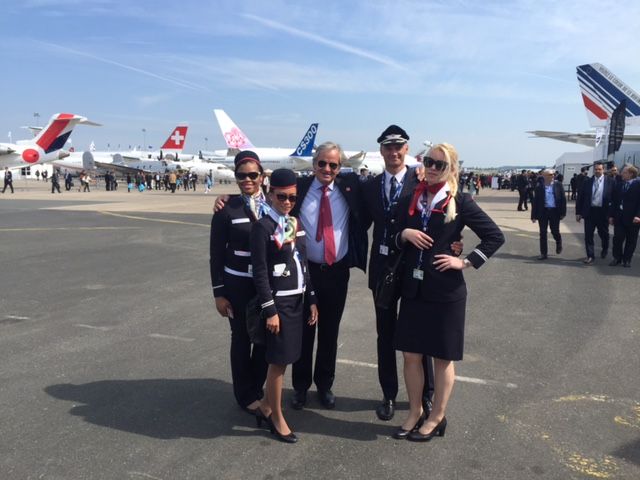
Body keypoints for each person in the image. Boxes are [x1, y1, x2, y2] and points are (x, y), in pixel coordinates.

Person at [392, 143, 504, 442]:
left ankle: (437, 416)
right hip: (413, 289)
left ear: (451, 168)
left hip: (445, 291)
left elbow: (495, 236)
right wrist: (404, 234)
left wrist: (464, 261)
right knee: (411, 355)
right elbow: (392, 233)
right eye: (428, 161)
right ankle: (415, 411)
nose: (431, 167)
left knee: (442, 358)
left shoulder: (460, 201)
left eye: (439, 164)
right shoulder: (411, 197)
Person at [361, 125, 439, 421]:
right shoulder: (369, 186)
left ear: (406, 149)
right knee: (385, 335)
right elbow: (353, 217)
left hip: (411, 269)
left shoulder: (421, 180)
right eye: (388, 148)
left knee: (419, 335)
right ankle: (389, 394)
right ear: (381, 151)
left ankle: (426, 396)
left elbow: (442, 213)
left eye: (399, 147)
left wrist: (452, 246)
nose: (393, 152)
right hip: (381, 271)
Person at [289, 142, 368, 411]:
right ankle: (300, 387)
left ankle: (325, 384)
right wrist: (228, 198)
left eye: (333, 164)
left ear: (340, 167)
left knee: (329, 332)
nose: (327, 168)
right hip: (305, 272)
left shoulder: (350, 187)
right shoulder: (298, 189)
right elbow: (265, 199)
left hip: (336, 272)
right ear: (313, 164)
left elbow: (386, 186)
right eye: (322, 163)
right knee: (304, 331)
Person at [251, 168, 318, 443]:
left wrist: (311, 298)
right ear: (270, 194)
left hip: (297, 300)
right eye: (281, 196)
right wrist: (270, 310)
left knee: (287, 358)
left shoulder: (294, 223)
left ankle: (267, 406)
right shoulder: (262, 227)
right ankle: (276, 417)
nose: (287, 202)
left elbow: (303, 263)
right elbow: (260, 272)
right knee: (278, 362)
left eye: (292, 197)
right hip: (279, 304)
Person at [210, 151, 271, 416]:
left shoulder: (275, 203)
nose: (247, 180)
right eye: (241, 175)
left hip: (265, 285)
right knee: (241, 337)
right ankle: (244, 395)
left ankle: (257, 387)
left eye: (252, 175)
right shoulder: (227, 209)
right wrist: (219, 293)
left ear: (262, 176)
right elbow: (216, 254)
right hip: (237, 284)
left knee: (265, 339)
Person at [575, 162, 614, 264]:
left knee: (604, 234)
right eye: (596, 169)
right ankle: (590, 256)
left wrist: (612, 214)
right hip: (590, 212)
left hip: (603, 212)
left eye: (599, 169)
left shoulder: (610, 182)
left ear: (603, 170)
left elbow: (615, 199)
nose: (597, 171)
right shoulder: (587, 182)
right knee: (588, 235)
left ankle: (605, 248)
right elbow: (580, 198)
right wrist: (578, 212)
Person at [608, 164, 640, 268]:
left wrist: (638, 216)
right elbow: (614, 201)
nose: (621, 173)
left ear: (631, 174)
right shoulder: (619, 185)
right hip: (619, 217)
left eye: (624, 172)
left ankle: (627, 260)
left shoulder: (638, 184)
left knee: (631, 241)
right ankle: (617, 258)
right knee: (617, 238)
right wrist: (611, 216)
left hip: (633, 218)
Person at [531, 169, 566, 260]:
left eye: (553, 174)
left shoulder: (558, 185)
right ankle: (543, 253)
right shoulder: (539, 187)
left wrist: (563, 212)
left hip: (554, 212)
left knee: (554, 231)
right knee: (543, 233)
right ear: (544, 176)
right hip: (543, 212)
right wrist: (533, 216)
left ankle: (558, 241)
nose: (552, 176)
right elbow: (535, 202)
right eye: (550, 175)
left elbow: (563, 200)